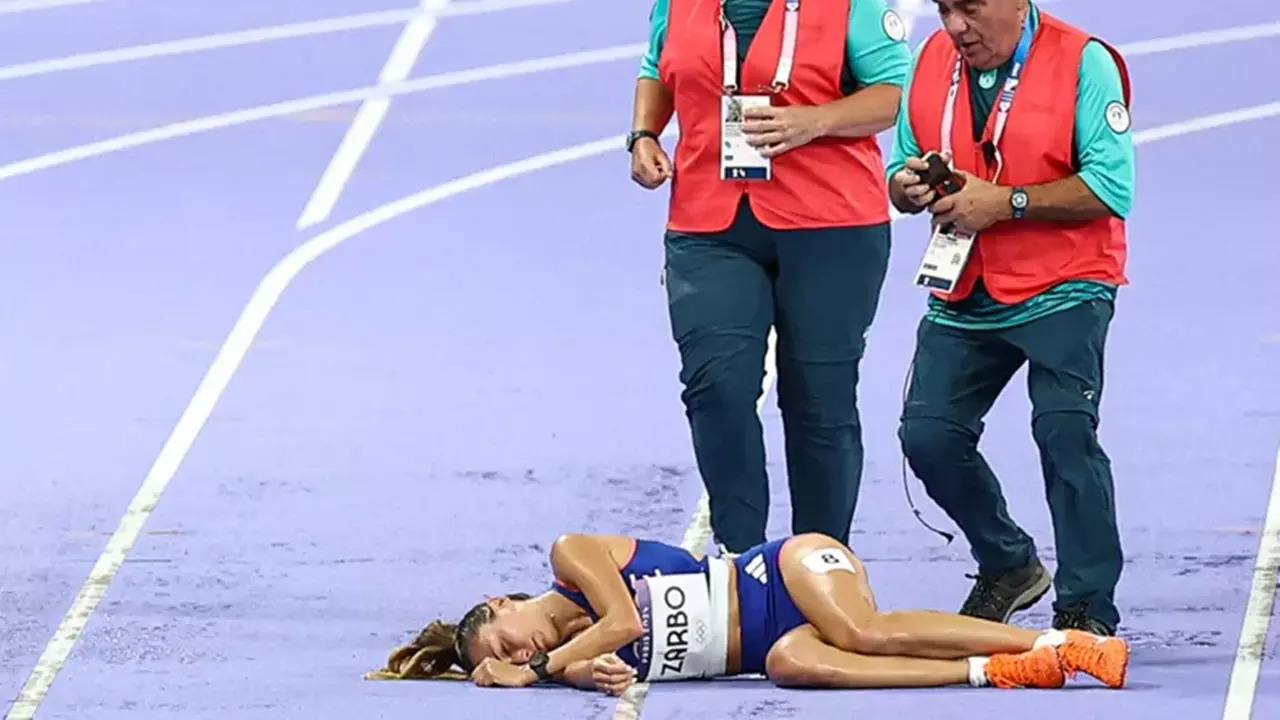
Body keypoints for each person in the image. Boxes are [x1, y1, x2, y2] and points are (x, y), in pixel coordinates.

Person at [625, 0, 912, 555]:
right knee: (717, 389)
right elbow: (656, 65)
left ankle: (823, 565)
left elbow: (894, 94)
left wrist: (815, 120)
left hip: (831, 223)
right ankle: (741, 562)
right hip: (709, 222)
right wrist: (643, 134)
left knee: (818, 400)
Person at [886, 0, 1135, 636]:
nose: (955, 27)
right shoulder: (931, 63)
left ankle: (1086, 606)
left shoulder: (1085, 62)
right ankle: (1009, 563)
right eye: (943, 10)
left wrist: (1007, 203)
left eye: (969, 9)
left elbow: (1111, 187)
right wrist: (906, 187)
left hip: (1064, 284)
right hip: (966, 286)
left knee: (1063, 432)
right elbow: (902, 160)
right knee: (928, 436)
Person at [365, 532, 1128, 693]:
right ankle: (994, 668)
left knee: (862, 630)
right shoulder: (573, 663)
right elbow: (613, 660)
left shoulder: (571, 559)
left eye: (505, 636)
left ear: (501, 602)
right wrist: (573, 675)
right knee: (796, 666)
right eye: (514, 650)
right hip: (769, 639)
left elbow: (626, 624)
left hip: (783, 569)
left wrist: (532, 667)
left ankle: (1067, 640)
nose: (522, 644)